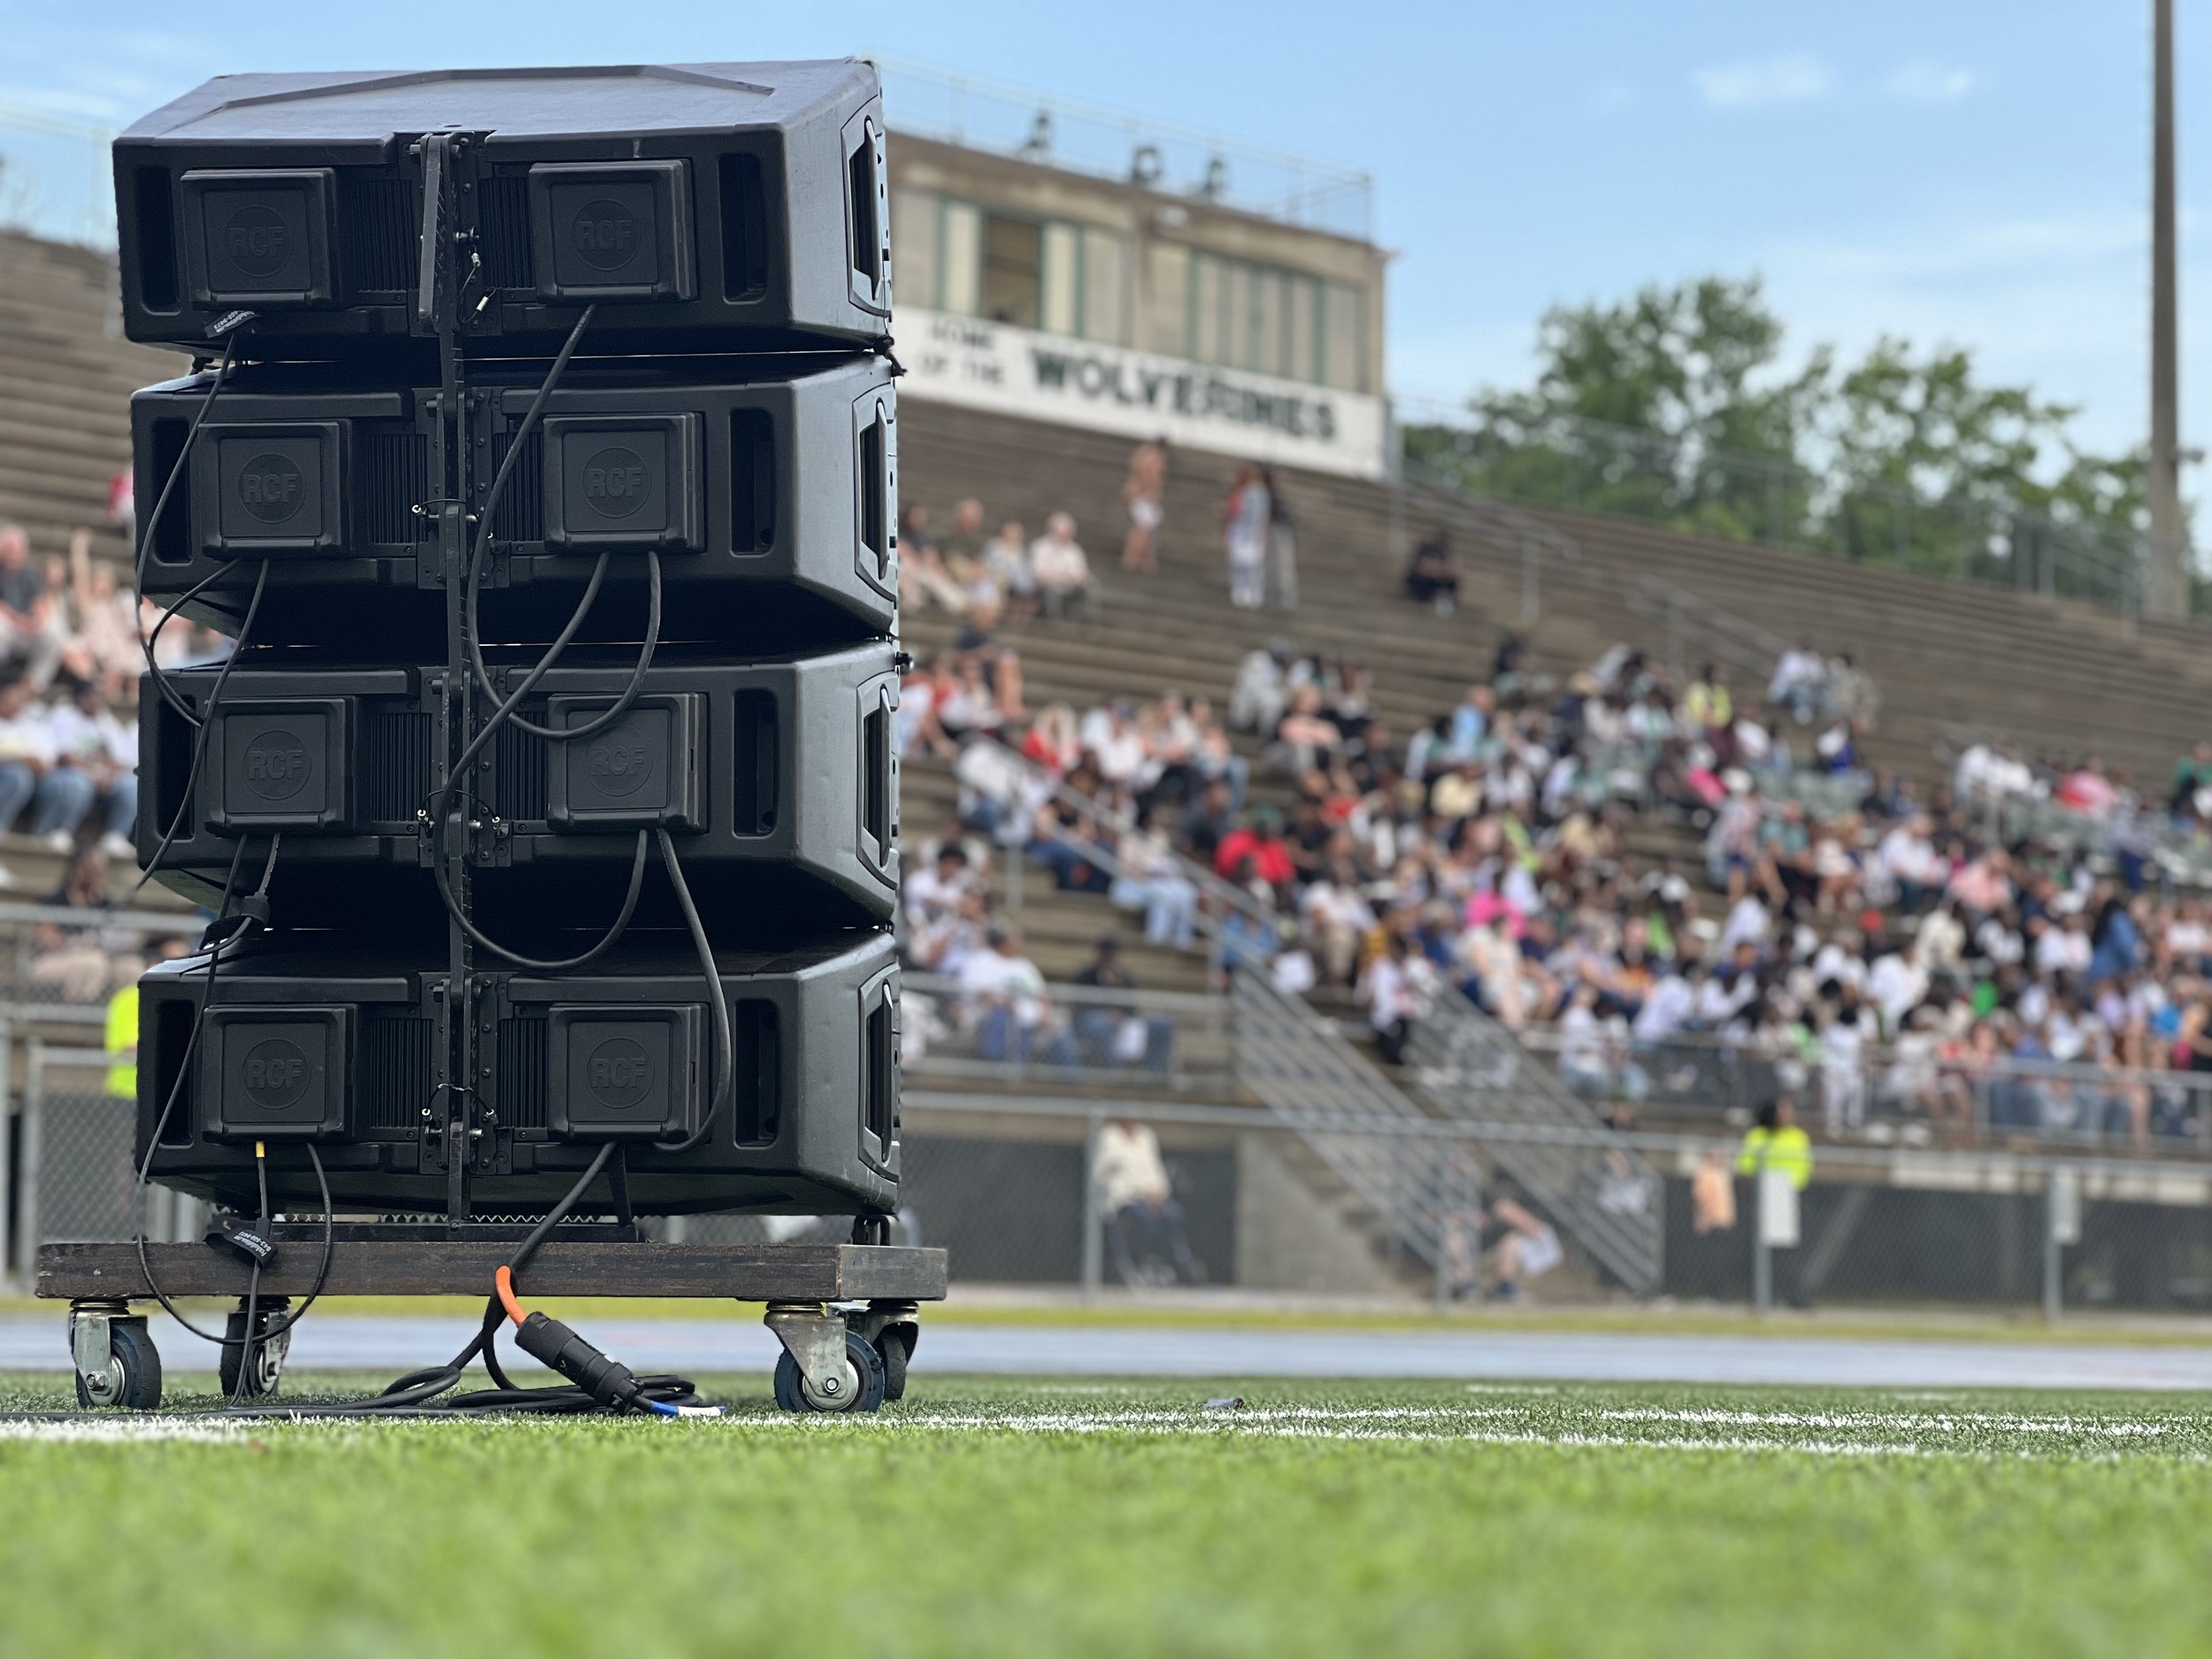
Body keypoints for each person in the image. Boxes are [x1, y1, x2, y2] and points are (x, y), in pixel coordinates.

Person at [1092, 1118, 1200, 1285]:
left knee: (1174, 1213)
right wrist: (1140, 1193)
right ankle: (1139, 1263)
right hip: (1125, 1198)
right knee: (1140, 1216)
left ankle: (1178, 1265)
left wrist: (1158, 1193)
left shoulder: (1146, 1136)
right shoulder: (1109, 1137)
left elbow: (1156, 1170)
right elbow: (1102, 1175)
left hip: (1153, 1197)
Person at [1735, 1095, 1813, 1307]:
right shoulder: (1758, 1136)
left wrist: (1787, 1187)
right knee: (1757, 1252)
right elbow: (1745, 1168)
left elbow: (1804, 1168)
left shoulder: (1798, 1137)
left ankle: (1796, 1298)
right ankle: (1760, 1297)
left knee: (1790, 1254)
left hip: (1787, 1197)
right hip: (1761, 1198)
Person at [1072, 937, 1173, 1072]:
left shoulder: (1125, 979)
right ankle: (1114, 1074)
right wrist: (1106, 1014)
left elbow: (1132, 1009)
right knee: (1100, 1024)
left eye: (1112, 954)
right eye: (1106, 954)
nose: (1109, 958)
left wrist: (1118, 989)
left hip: (1124, 1022)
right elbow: (1079, 1008)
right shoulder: (1085, 977)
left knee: (1162, 1024)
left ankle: (1152, 1077)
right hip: (1092, 1024)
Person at [1028, 512, 1096, 622]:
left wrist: (1078, 578)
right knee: (1051, 590)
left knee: (1090, 588)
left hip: (1069, 586)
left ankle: (1086, 620)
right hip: (1047, 586)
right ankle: (1053, 620)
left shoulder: (1075, 550)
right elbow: (1037, 572)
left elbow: (1081, 572)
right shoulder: (1040, 546)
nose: (1063, 537)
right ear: (1051, 531)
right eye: (1060, 533)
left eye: (1066, 534)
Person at [1222, 466, 1270, 610]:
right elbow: (1232, 513)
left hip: (1252, 533)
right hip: (1240, 532)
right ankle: (1241, 591)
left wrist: (1263, 534)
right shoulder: (1240, 492)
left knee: (1253, 566)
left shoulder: (1259, 493)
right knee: (1240, 564)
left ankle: (1253, 592)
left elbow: (1262, 516)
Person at [1120, 438, 1166, 572]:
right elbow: (1151, 477)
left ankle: (1137, 558)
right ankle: (1135, 558)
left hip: (1137, 494)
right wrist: (1152, 493)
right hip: (1144, 496)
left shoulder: (1142, 454)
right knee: (1142, 530)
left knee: (1140, 529)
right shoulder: (1155, 459)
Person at [1262, 465, 1298, 610]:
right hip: (1274, 532)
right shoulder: (1266, 494)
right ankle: (1276, 596)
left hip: (1280, 532)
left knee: (1283, 567)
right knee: (1275, 566)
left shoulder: (1275, 496)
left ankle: (1285, 597)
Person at [1403, 531, 1461, 615]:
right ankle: (1420, 600)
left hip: (1432, 579)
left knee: (1451, 582)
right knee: (1424, 580)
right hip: (1418, 580)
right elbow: (1421, 568)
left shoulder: (1443, 554)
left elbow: (1448, 569)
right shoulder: (1424, 548)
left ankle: (1446, 606)